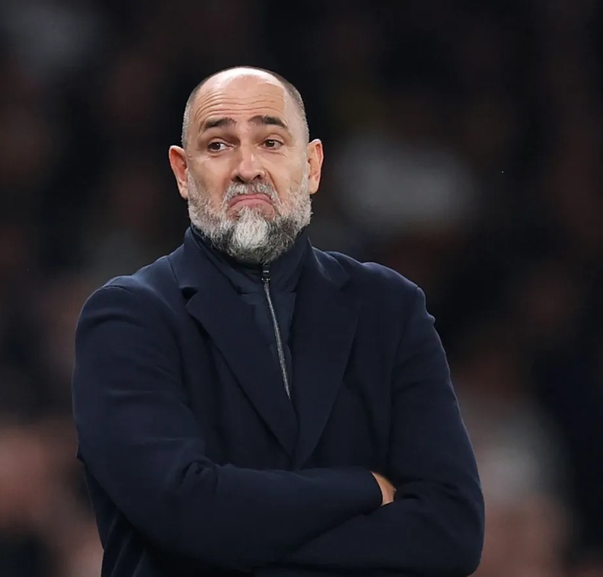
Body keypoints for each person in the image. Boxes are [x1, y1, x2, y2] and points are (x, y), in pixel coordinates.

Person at [71, 66, 485, 577]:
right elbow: (184, 510)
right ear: (182, 172)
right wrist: (361, 488)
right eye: (218, 145)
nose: (247, 168)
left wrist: (238, 541)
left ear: (311, 165)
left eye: (270, 142)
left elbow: (452, 532)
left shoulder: (389, 308)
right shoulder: (129, 318)